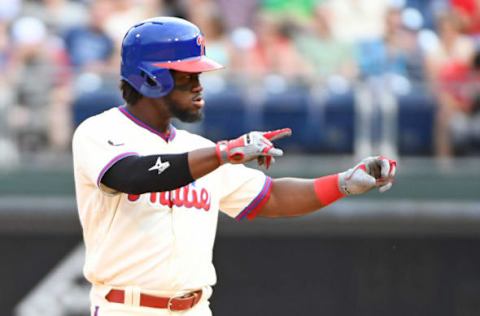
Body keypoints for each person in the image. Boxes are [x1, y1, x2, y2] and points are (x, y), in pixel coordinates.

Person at [72, 17, 397, 316]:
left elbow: (272, 197)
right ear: (150, 78)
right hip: (127, 308)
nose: (200, 86)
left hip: (196, 308)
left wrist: (343, 183)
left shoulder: (197, 150)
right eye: (188, 76)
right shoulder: (100, 132)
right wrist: (223, 153)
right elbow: (132, 175)